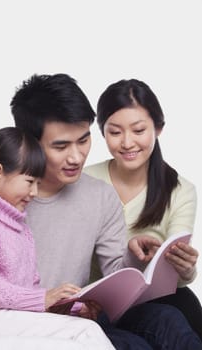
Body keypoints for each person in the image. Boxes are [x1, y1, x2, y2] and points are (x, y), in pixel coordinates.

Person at [10, 73, 202, 350]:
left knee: (170, 318)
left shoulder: (100, 193)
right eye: (61, 146)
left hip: (83, 313)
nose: (76, 156)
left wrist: (134, 255)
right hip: (35, 318)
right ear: (29, 143)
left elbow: (115, 273)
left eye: (84, 140)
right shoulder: (1, 194)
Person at [0, 126, 115, 350]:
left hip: (9, 318)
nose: (35, 192)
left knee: (88, 331)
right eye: (29, 182)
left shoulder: (20, 228)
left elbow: (30, 289)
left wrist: (70, 307)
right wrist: (41, 299)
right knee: (82, 337)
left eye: (38, 183)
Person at [84, 78, 202, 340]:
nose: (127, 143)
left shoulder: (180, 190)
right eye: (115, 132)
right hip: (94, 300)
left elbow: (177, 274)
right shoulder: (85, 180)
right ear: (102, 132)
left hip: (154, 298)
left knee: (184, 315)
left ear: (158, 129)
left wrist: (186, 269)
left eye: (138, 131)